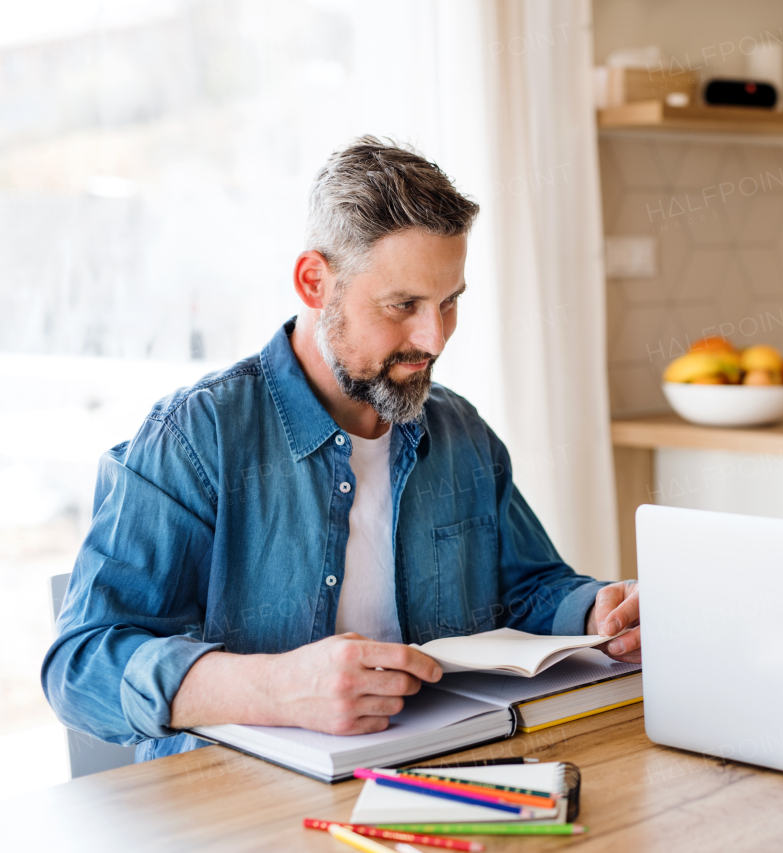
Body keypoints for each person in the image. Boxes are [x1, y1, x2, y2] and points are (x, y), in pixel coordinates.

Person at [42, 136, 641, 761]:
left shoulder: (460, 432)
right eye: (402, 305)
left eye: (449, 303)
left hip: (438, 780)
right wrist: (274, 688)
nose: (433, 337)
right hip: (237, 810)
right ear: (314, 282)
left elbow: (527, 589)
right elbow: (79, 670)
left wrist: (596, 611)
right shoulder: (196, 439)